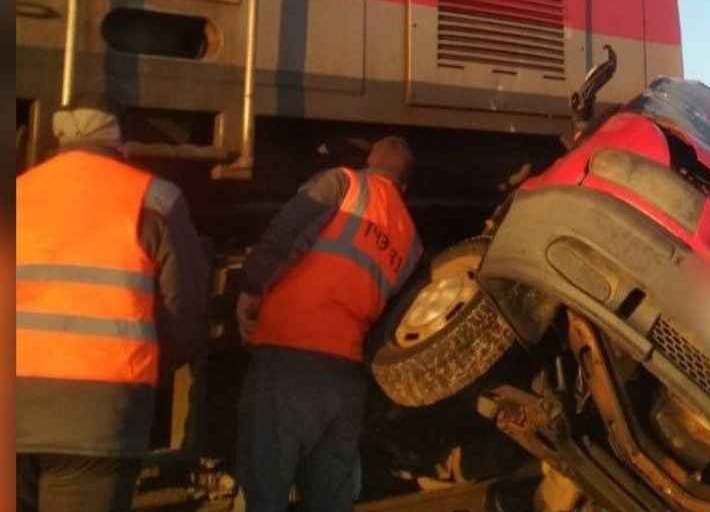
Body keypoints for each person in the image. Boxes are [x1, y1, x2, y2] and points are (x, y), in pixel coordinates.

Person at [16, 102, 211, 512]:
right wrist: (148, 373)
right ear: (119, 144)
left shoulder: (18, 191)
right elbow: (185, 315)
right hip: (100, 417)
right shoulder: (155, 199)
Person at [235, 136, 422, 512]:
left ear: (369, 164)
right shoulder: (411, 241)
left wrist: (251, 291)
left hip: (289, 357)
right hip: (345, 374)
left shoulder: (343, 183)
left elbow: (284, 233)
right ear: (404, 186)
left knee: (265, 487)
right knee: (331, 495)